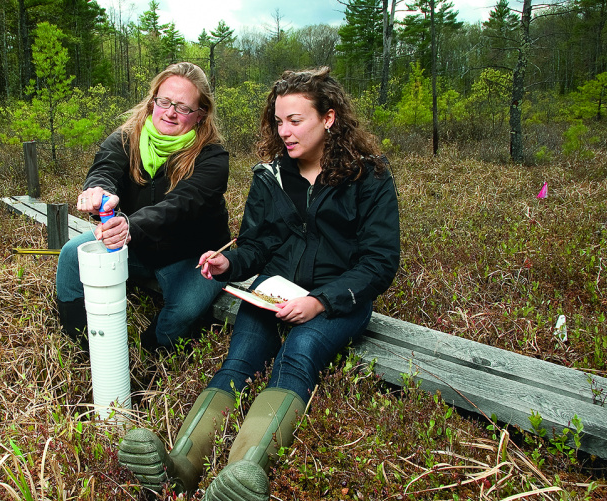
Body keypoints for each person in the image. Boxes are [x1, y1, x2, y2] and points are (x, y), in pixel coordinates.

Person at [117, 67, 400, 500]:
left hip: (340, 297)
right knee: (239, 362)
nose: (284, 131)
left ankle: (242, 476)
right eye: (278, 120)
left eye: (296, 120)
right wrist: (227, 262)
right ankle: (180, 468)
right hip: (272, 289)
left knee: (297, 356)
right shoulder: (269, 175)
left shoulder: (369, 176)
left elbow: (380, 262)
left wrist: (320, 302)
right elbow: (257, 243)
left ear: (328, 118)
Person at [55, 62, 231, 352]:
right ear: (153, 102)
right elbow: (106, 169)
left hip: (191, 254)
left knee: (184, 312)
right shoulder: (127, 136)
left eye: (184, 107)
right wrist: (101, 191)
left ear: (201, 115)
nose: (171, 112)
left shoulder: (213, 157)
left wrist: (130, 226)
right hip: (139, 246)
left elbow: (181, 205)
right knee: (71, 254)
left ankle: (147, 356)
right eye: (164, 101)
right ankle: (81, 347)